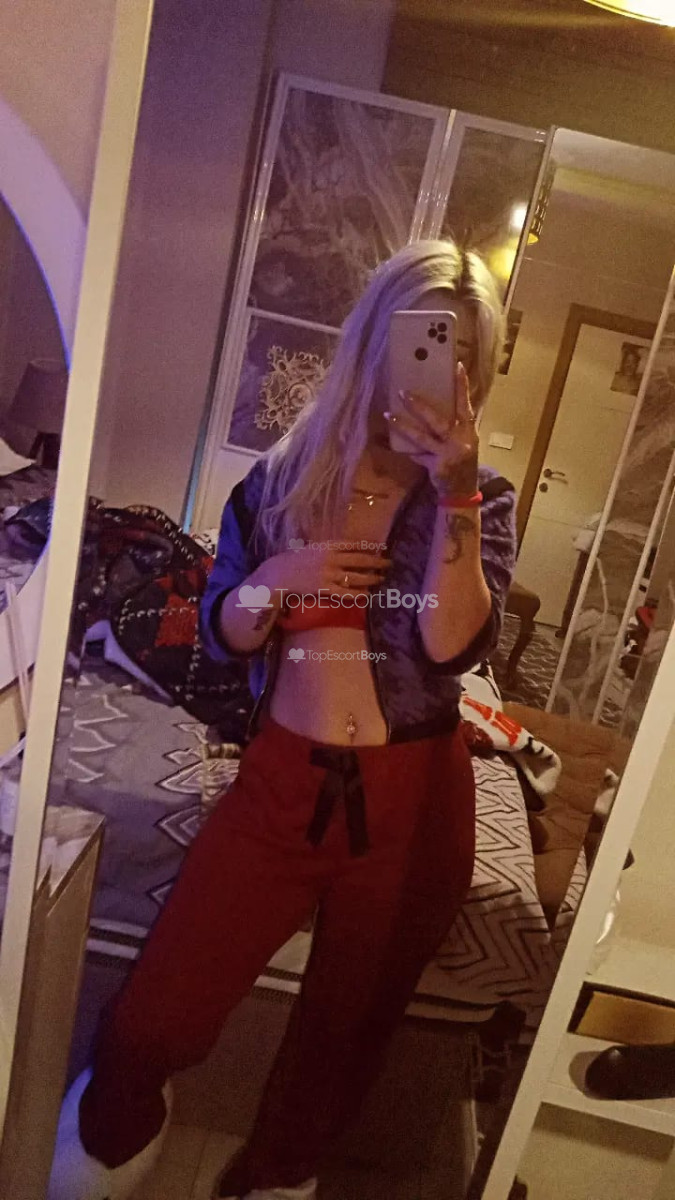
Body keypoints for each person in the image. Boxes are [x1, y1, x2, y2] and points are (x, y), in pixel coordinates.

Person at [49, 240, 517, 1200]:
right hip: (283, 780)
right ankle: (118, 1126)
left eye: (465, 355)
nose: (443, 371)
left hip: (414, 800)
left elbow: (448, 648)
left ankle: (276, 1174)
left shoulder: (481, 499)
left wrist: (457, 489)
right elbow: (222, 633)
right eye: (426, 340)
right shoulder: (279, 478)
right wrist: (273, 581)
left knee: (345, 1033)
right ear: (373, 338)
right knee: (154, 1018)